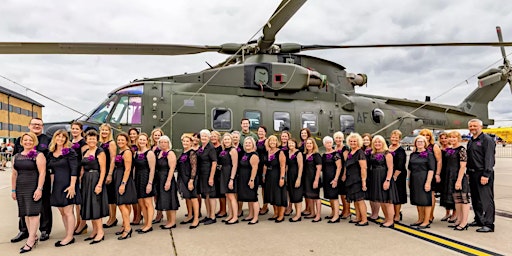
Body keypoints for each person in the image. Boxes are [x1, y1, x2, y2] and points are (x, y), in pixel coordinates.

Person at [11, 118, 52, 243]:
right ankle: (24, 230)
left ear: (42, 126)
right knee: (24, 205)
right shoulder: (20, 139)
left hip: (41, 176)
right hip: (24, 178)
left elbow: (50, 159)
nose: (36, 126)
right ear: (29, 125)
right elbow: (15, 158)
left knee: (44, 204)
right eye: (34, 124)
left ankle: (44, 230)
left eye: (39, 125)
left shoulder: (47, 140)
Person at [48, 129, 80, 247]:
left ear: (66, 139)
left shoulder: (70, 152)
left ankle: (70, 237)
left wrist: (72, 186)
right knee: (62, 212)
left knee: (68, 211)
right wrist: (51, 188)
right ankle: (67, 233)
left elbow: (74, 169)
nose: (60, 139)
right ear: (55, 138)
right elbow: (51, 171)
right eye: (58, 136)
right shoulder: (50, 153)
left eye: (63, 137)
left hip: (68, 184)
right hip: (56, 185)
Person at [467, 119, 495, 232]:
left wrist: (486, 174)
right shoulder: (471, 141)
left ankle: (489, 224)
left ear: (481, 127)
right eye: (471, 126)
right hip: (472, 173)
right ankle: (479, 219)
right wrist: (468, 173)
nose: (473, 128)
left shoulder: (487, 140)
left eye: (475, 126)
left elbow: (489, 158)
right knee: (475, 198)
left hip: (483, 173)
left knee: (486, 199)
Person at [80, 130, 109, 244]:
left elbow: (103, 170)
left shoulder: (100, 151)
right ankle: (94, 231)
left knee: (95, 205)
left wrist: (100, 184)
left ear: (97, 140)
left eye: (94, 138)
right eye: (89, 138)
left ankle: (100, 232)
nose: (91, 140)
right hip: (86, 180)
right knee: (90, 205)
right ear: (86, 140)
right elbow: (82, 167)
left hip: (95, 178)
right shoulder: (85, 151)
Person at [367, 135, 399, 228]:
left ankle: (390, 220)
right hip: (375, 178)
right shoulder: (373, 153)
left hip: (384, 178)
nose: (377, 144)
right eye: (375, 142)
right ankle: (386, 218)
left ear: (383, 143)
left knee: (388, 201)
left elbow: (390, 168)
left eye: (379, 142)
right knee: (382, 200)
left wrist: (388, 180)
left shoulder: (387, 154)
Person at [112, 133, 138, 240]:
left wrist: (123, 184)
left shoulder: (127, 152)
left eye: (122, 140)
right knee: (125, 205)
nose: (120, 142)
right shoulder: (121, 151)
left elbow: (128, 169)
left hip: (124, 179)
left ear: (126, 141)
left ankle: (127, 228)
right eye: (118, 140)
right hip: (118, 177)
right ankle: (124, 225)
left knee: (122, 205)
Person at [408, 135, 436, 229]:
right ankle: (420, 219)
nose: (420, 143)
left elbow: (431, 169)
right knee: (417, 199)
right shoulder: (413, 154)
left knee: (426, 200)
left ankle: (426, 221)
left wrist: (428, 182)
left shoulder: (429, 154)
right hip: (414, 178)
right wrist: (408, 180)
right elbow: (409, 168)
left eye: (422, 142)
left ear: (425, 143)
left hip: (424, 177)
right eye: (418, 142)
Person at [446, 131, 470, 231]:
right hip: (451, 177)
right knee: (457, 200)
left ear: (458, 138)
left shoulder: (461, 150)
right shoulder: (450, 149)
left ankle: (464, 222)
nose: (452, 139)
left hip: (459, 177)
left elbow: (463, 166)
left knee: (464, 200)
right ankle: (458, 219)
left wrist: (459, 180)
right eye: (450, 137)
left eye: (454, 137)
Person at [154, 135, 180, 229]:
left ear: (169, 143)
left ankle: (172, 222)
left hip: (167, 178)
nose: (163, 144)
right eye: (161, 142)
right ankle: (169, 220)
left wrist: (168, 181)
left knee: (170, 200)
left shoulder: (170, 153)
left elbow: (172, 168)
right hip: (160, 179)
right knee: (165, 200)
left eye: (165, 142)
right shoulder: (159, 153)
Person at [342, 133, 368, 226]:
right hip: (350, 178)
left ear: (358, 142)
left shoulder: (360, 153)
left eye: (354, 141)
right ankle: (358, 217)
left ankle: (364, 219)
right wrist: (344, 174)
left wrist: (363, 181)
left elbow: (363, 168)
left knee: (360, 200)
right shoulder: (350, 152)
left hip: (357, 179)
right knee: (355, 200)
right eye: (351, 141)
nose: (352, 143)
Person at [133, 133, 156, 234]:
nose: (141, 141)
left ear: (147, 141)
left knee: (148, 203)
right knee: (141, 203)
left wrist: (150, 183)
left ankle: (149, 225)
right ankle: (145, 223)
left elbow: (152, 169)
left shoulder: (150, 153)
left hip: (146, 178)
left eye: (143, 140)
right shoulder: (136, 153)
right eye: (140, 140)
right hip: (138, 178)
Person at [418, 129, 442, 223]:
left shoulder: (434, 147)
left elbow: (439, 161)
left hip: (431, 173)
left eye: (427, 135)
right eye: (423, 135)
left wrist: (437, 174)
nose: (425, 136)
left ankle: (430, 215)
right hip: (419, 173)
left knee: (430, 194)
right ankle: (422, 216)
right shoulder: (417, 146)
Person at [177, 134, 200, 229]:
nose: (185, 143)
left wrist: (191, 180)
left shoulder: (192, 153)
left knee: (193, 197)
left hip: (190, 178)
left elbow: (194, 167)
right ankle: (189, 215)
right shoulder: (183, 152)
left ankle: (196, 219)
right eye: (184, 141)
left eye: (187, 141)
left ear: (191, 142)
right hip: (183, 178)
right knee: (187, 197)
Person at [263, 135, 287, 223]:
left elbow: (282, 166)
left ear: (277, 142)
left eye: (274, 141)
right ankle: (276, 213)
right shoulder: (267, 151)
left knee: (279, 195)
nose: (272, 142)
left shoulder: (280, 152)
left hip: (277, 175)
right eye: (270, 141)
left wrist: (282, 178)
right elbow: (265, 165)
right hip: (269, 176)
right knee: (272, 195)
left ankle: (281, 215)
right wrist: (263, 175)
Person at [196, 129, 218, 225]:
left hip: (208, 174)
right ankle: (208, 215)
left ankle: (213, 216)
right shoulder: (201, 147)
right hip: (201, 174)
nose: (203, 138)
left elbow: (214, 162)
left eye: (205, 136)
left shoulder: (211, 148)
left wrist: (211, 177)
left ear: (209, 137)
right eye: (202, 136)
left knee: (211, 195)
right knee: (205, 195)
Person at [70, 122, 88, 236]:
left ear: (81, 130)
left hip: (79, 173)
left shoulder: (83, 142)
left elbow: (84, 160)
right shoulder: (70, 142)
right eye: (73, 128)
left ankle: (83, 223)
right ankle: (78, 222)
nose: (74, 130)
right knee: (76, 201)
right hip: (71, 173)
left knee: (81, 201)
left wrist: (82, 174)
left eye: (77, 129)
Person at [237, 137, 260, 225]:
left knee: (253, 198)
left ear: (253, 144)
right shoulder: (245, 154)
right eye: (246, 143)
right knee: (249, 198)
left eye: (249, 143)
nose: (247, 144)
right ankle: (250, 215)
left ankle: (255, 217)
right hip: (244, 178)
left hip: (251, 178)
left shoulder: (254, 155)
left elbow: (255, 168)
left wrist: (252, 180)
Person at [99, 124, 118, 229]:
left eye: (106, 130)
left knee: (111, 197)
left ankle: (113, 218)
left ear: (110, 132)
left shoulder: (111, 143)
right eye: (103, 130)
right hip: (103, 171)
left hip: (109, 171)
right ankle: (111, 217)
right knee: (108, 197)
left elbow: (113, 159)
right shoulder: (101, 143)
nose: (104, 132)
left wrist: (110, 174)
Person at [218, 133, 239, 224]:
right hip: (223, 173)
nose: (226, 141)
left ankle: (235, 217)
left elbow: (235, 165)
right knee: (227, 196)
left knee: (231, 196)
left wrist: (231, 179)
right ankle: (230, 215)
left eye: (228, 139)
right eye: (225, 139)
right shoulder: (224, 150)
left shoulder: (233, 150)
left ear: (231, 140)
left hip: (230, 174)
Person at [388, 130, 407, 223]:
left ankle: (397, 214)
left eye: (396, 137)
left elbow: (400, 165)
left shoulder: (401, 151)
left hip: (398, 175)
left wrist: (394, 176)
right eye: (393, 137)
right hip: (389, 174)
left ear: (400, 139)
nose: (394, 139)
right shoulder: (388, 148)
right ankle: (392, 213)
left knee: (398, 195)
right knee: (391, 195)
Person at [322, 136, 342, 223]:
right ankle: (333, 212)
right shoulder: (324, 155)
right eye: (327, 143)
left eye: (330, 142)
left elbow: (339, 167)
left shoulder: (336, 154)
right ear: (324, 144)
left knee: (334, 197)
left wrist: (336, 179)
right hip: (326, 177)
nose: (329, 144)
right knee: (330, 196)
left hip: (333, 177)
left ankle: (336, 216)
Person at [303, 137, 322, 223]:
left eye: (310, 143)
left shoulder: (316, 155)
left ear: (313, 145)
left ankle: (318, 215)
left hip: (314, 178)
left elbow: (319, 168)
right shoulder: (305, 155)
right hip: (306, 178)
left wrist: (316, 180)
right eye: (307, 143)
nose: (309, 145)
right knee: (309, 196)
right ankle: (312, 212)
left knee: (316, 197)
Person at [438, 132, 456, 223]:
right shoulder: (439, 149)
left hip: (451, 173)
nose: (444, 140)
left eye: (445, 138)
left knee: (452, 193)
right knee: (444, 194)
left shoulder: (451, 149)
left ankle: (454, 213)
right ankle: (447, 212)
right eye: (442, 138)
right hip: (443, 173)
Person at [333, 131, 351, 219]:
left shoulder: (345, 148)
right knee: (341, 193)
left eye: (340, 138)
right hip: (337, 172)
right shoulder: (334, 148)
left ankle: (347, 211)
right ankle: (344, 210)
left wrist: (344, 174)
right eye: (336, 138)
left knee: (344, 193)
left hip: (343, 172)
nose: (338, 139)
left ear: (343, 139)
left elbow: (346, 162)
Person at [286, 138, 303, 222]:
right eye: (289, 143)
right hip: (290, 176)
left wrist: (299, 178)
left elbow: (301, 166)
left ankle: (298, 215)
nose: (291, 145)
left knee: (297, 195)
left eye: (292, 143)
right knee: (292, 194)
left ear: (295, 144)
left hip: (296, 175)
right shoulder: (288, 152)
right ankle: (296, 213)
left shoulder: (298, 153)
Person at [127, 128, 142, 225]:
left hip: (138, 171)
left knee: (138, 196)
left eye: (134, 134)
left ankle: (139, 215)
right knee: (133, 197)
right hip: (130, 171)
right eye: (130, 134)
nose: (132, 135)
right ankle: (135, 214)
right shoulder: (128, 146)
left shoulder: (139, 145)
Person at [210, 130, 226, 218]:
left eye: (214, 136)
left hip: (220, 172)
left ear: (218, 137)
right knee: (216, 191)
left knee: (221, 192)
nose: (213, 138)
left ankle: (223, 210)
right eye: (211, 136)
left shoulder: (222, 147)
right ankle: (220, 209)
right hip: (213, 172)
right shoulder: (210, 147)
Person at [150, 128, 164, 224]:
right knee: (155, 195)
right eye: (155, 135)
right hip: (152, 173)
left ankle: (159, 213)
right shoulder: (150, 147)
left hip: (160, 173)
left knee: (159, 194)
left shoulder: (163, 147)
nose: (157, 137)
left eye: (159, 135)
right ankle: (158, 212)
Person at [255, 126, 268, 215]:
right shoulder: (256, 141)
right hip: (256, 166)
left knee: (264, 188)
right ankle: (257, 206)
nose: (260, 133)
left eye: (262, 131)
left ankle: (265, 206)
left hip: (263, 165)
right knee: (256, 186)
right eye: (259, 131)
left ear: (265, 132)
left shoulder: (266, 141)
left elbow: (268, 153)